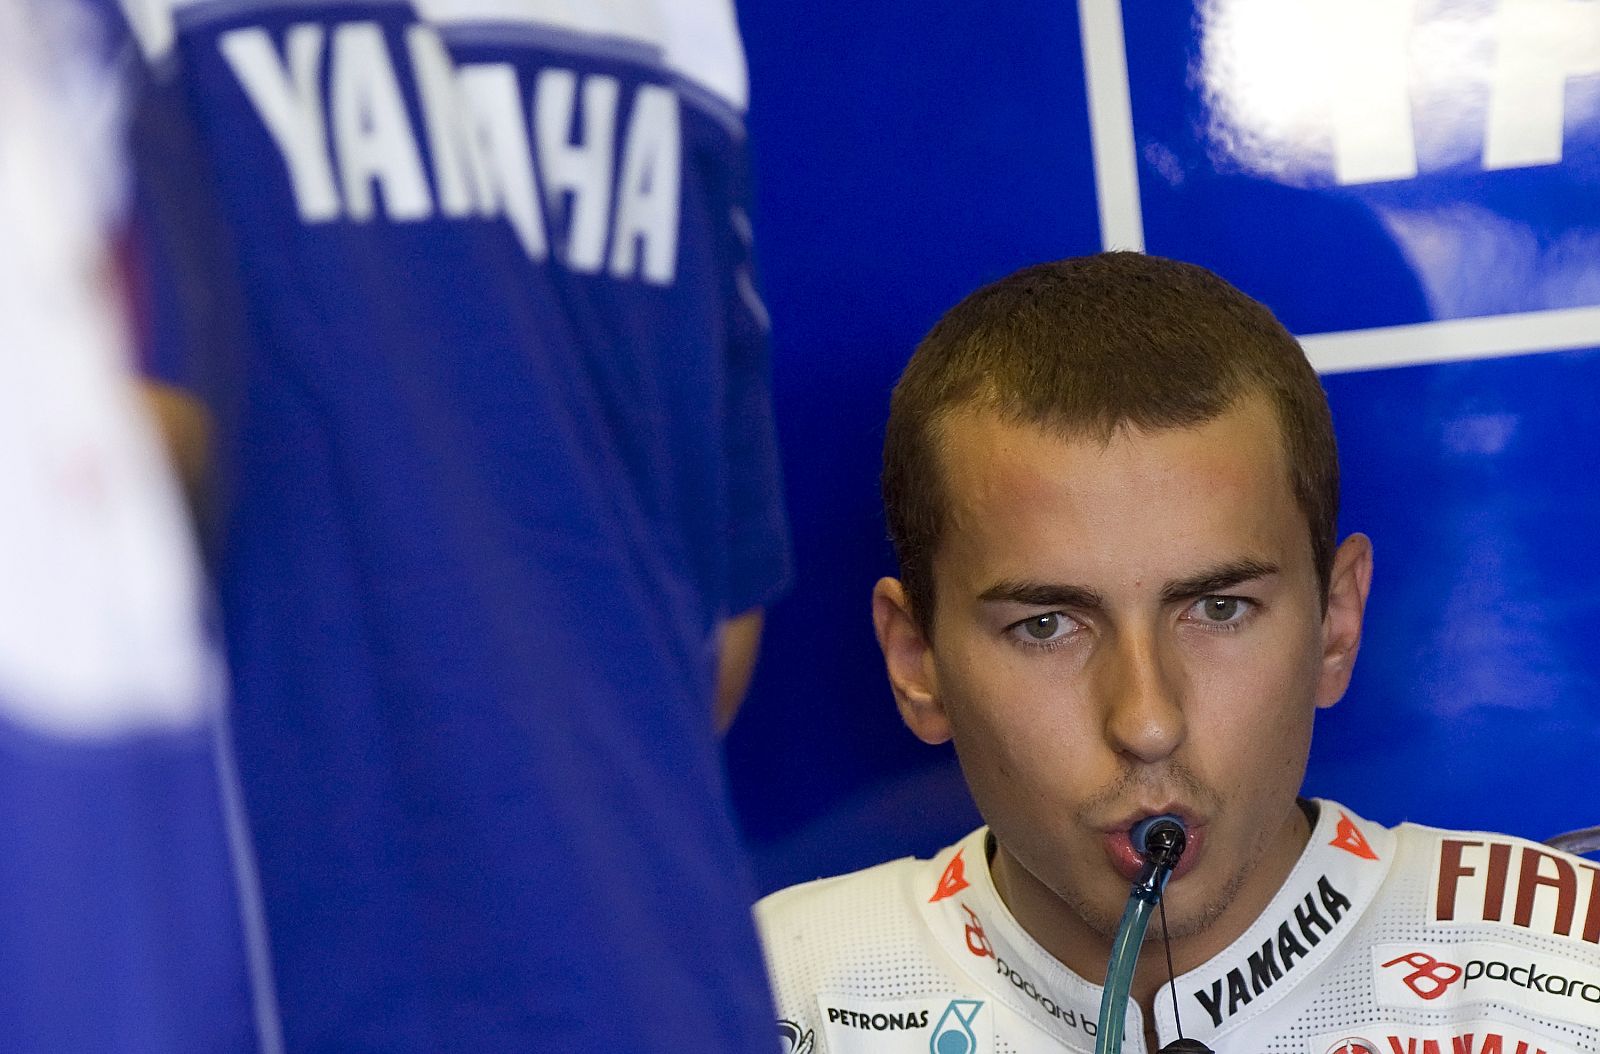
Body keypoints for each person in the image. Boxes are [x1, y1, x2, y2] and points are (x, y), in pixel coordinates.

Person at [120, 2, 791, 1049]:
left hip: (289, 981)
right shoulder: (674, 29)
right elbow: (714, 638)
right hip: (652, 968)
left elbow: (85, 517)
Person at [757, 253, 1600, 1054]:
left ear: (1336, 624)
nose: (1149, 721)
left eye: (1220, 608)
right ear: (916, 663)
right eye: (1047, 625)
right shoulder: (761, 995)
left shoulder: (1566, 975)